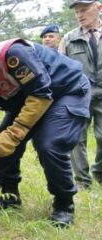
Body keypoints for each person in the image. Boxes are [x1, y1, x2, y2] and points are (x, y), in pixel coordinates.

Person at [0, 37, 91, 227]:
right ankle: (10, 197)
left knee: (49, 145)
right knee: (2, 144)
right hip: (31, 99)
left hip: (66, 90)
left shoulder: (12, 54)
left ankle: (64, 204)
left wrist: (15, 133)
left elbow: (41, 92)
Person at [58, 0, 102, 189]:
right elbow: (60, 68)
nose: (80, 15)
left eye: (84, 10)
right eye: (77, 12)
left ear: (99, 8)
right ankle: (82, 181)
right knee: (77, 139)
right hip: (78, 96)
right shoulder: (68, 38)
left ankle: (99, 173)